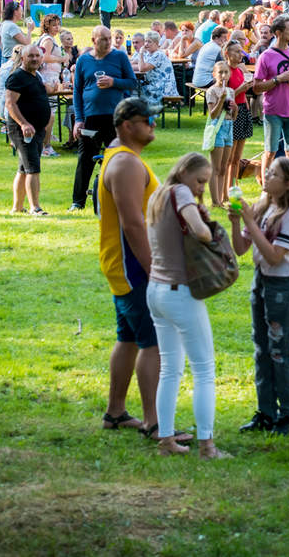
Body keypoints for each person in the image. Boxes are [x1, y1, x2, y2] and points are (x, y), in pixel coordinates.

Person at [145, 152, 230, 459]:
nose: (200, 189)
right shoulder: (181, 192)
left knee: (170, 369)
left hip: (155, 290)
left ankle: (166, 440)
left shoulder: (158, 195)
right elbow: (201, 232)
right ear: (184, 173)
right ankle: (207, 446)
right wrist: (204, 220)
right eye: (200, 181)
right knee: (205, 370)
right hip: (179, 291)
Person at [98, 98, 170, 438]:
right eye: (148, 120)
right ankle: (154, 423)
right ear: (128, 125)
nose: (153, 125)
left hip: (123, 265)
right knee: (151, 343)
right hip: (133, 267)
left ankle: (115, 413)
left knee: (127, 338)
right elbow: (133, 224)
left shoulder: (124, 158)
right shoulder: (126, 164)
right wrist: (154, 269)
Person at [228, 156, 289, 435]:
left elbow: (275, 256)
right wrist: (236, 221)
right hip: (262, 282)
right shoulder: (264, 206)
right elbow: (241, 249)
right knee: (262, 349)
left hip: (285, 287)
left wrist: (250, 222)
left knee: (281, 352)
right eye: (268, 171)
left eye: (274, 173)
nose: (266, 174)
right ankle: (266, 412)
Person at [70, 25, 137, 210]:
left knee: (118, 158)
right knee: (85, 158)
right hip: (91, 117)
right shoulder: (84, 60)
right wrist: (79, 119)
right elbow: (77, 91)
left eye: (109, 38)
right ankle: (77, 202)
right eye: (103, 39)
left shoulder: (120, 57)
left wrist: (114, 82)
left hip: (116, 117)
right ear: (93, 41)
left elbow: (132, 82)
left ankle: (119, 199)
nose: (108, 43)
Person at [252, 15, 289, 177]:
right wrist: (278, 79)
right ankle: (266, 188)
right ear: (278, 33)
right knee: (270, 151)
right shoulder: (266, 56)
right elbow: (256, 88)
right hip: (273, 110)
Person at [4, 44, 52, 215]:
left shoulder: (35, 75)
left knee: (24, 168)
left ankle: (17, 207)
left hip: (36, 129)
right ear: (23, 58)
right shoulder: (17, 77)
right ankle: (35, 207)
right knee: (33, 167)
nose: (34, 59)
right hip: (23, 130)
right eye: (30, 56)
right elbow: (10, 104)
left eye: (37, 56)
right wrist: (23, 124)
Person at [202, 60, 237, 206]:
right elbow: (213, 114)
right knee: (215, 168)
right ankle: (215, 201)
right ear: (214, 74)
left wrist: (236, 108)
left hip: (229, 127)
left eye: (226, 72)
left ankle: (221, 199)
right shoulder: (211, 91)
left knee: (224, 167)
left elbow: (233, 117)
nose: (223, 75)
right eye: (220, 72)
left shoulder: (231, 91)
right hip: (218, 128)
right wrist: (221, 99)